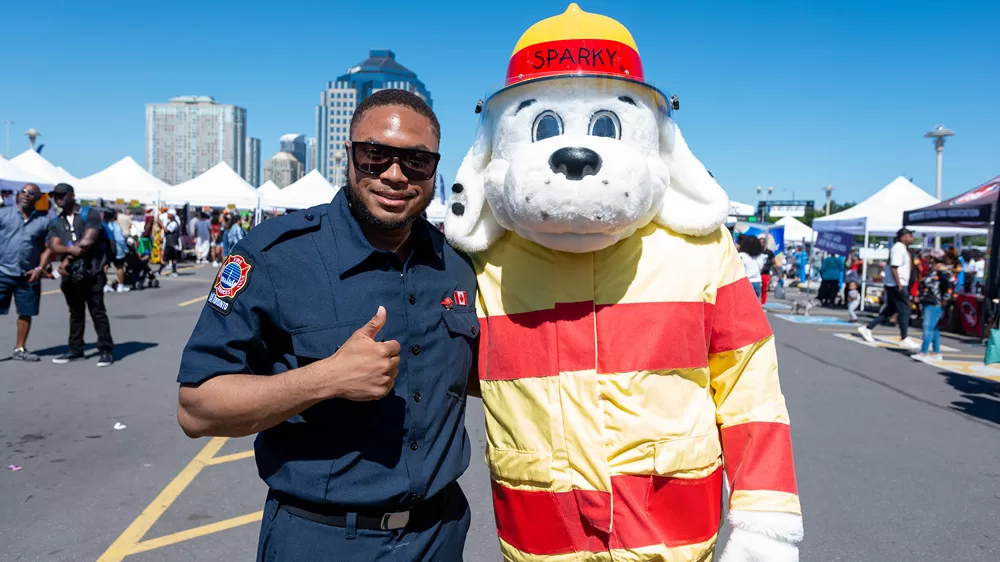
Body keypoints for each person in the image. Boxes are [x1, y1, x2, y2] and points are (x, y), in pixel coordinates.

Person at [177, 89, 476, 561]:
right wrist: (328, 377)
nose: (394, 175)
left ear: (435, 168)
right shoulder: (276, 257)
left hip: (440, 535)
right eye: (375, 155)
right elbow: (197, 408)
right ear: (349, 157)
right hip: (324, 539)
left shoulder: (457, 265)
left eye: (416, 161)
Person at [46, 183, 115, 366]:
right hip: (71, 274)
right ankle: (75, 349)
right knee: (75, 312)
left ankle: (106, 349)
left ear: (71, 195)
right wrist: (72, 252)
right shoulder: (56, 221)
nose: (58, 198)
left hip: (92, 270)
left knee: (97, 311)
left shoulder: (88, 213)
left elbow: (87, 242)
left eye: (61, 195)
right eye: (55, 196)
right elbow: (54, 245)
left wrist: (66, 257)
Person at [0, 183, 53, 361]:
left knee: (26, 312)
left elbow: (49, 248)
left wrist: (40, 269)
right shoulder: (4, 214)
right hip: (3, 271)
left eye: (31, 193)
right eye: (22, 192)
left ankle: (20, 349)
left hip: (28, 275)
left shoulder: (43, 221)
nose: (25, 195)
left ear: (38, 199)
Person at [858, 228, 919, 348]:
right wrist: (899, 284)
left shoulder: (903, 248)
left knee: (890, 310)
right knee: (904, 309)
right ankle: (904, 337)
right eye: (909, 235)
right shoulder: (898, 248)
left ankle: (868, 327)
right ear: (902, 236)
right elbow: (894, 267)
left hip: (897, 283)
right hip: (897, 284)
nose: (912, 237)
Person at [913, 250, 954, 361]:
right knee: (934, 327)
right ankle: (936, 351)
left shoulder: (942, 271)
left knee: (928, 326)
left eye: (930, 257)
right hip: (928, 300)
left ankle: (924, 352)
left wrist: (945, 299)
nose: (928, 259)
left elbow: (950, 285)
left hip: (935, 301)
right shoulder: (933, 270)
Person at [105, 209, 130, 293]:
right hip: (116, 248)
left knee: (105, 266)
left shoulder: (103, 224)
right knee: (119, 267)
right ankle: (120, 286)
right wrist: (126, 249)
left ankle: (104, 285)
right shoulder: (115, 225)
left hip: (105, 248)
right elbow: (120, 239)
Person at [159, 210, 180, 277]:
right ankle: (174, 271)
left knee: (166, 258)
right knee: (172, 258)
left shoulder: (174, 223)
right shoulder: (170, 222)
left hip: (171, 243)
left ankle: (160, 271)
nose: (167, 215)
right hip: (170, 243)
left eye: (168, 214)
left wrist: (160, 223)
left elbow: (166, 230)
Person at [758, 235, 775, 305]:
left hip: (765, 273)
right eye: (760, 242)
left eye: (763, 242)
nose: (761, 243)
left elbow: (774, 262)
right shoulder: (756, 251)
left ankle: (763, 303)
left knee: (764, 289)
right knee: (756, 289)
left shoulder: (769, 252)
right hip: (757, 274)